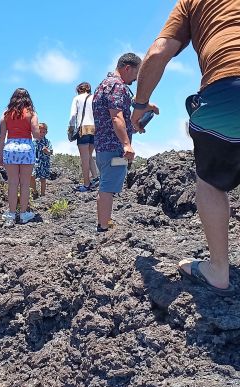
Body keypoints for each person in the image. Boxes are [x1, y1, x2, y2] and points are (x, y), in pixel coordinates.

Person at [131, 0, 240, 296]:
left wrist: (140, 105)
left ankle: (218, 270)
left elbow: (158, 52)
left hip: (228, 89)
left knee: (211, 184)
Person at [93, 53, 155, 232]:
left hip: (104, 146)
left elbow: (121, 112)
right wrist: (126, 144)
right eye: (136, 74)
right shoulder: (117, 86)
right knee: (108, 186)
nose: (136, 79)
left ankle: (104, 222)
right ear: (127, 68)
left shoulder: (104, 85)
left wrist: (145, 110)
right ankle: (103, 227)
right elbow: (116, 117)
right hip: (114, 147)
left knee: (107, 183)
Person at [0, 88, 42, 226]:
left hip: (10, 148)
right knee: (24, 183)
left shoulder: (5, 114)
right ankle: (23, 214)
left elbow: (1, 137)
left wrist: (0, 155)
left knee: (12, 183)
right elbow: (35, 134)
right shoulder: (32, 113)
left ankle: (11, 215)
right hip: (26, 149)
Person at [68, 82, 99, 192]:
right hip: (95, 129)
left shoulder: (77, 98)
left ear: (79, 90)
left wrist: (71, 129)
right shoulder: (95, 97)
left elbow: (73, 115)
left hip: (84, 129)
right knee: (90, 155)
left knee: (84, 158)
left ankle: (86, 184)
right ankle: (96, 179)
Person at [30, 122, 53, 197]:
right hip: (35, 162)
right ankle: (34, 192)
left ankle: (43, 195)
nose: (42, 133)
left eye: (44, 132)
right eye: (40, 131)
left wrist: (47, 151)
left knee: (43, 179)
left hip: (44, 163)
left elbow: (51, 151)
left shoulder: (47, 142)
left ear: (46, 132)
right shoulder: (33, 142)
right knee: (32, 176)